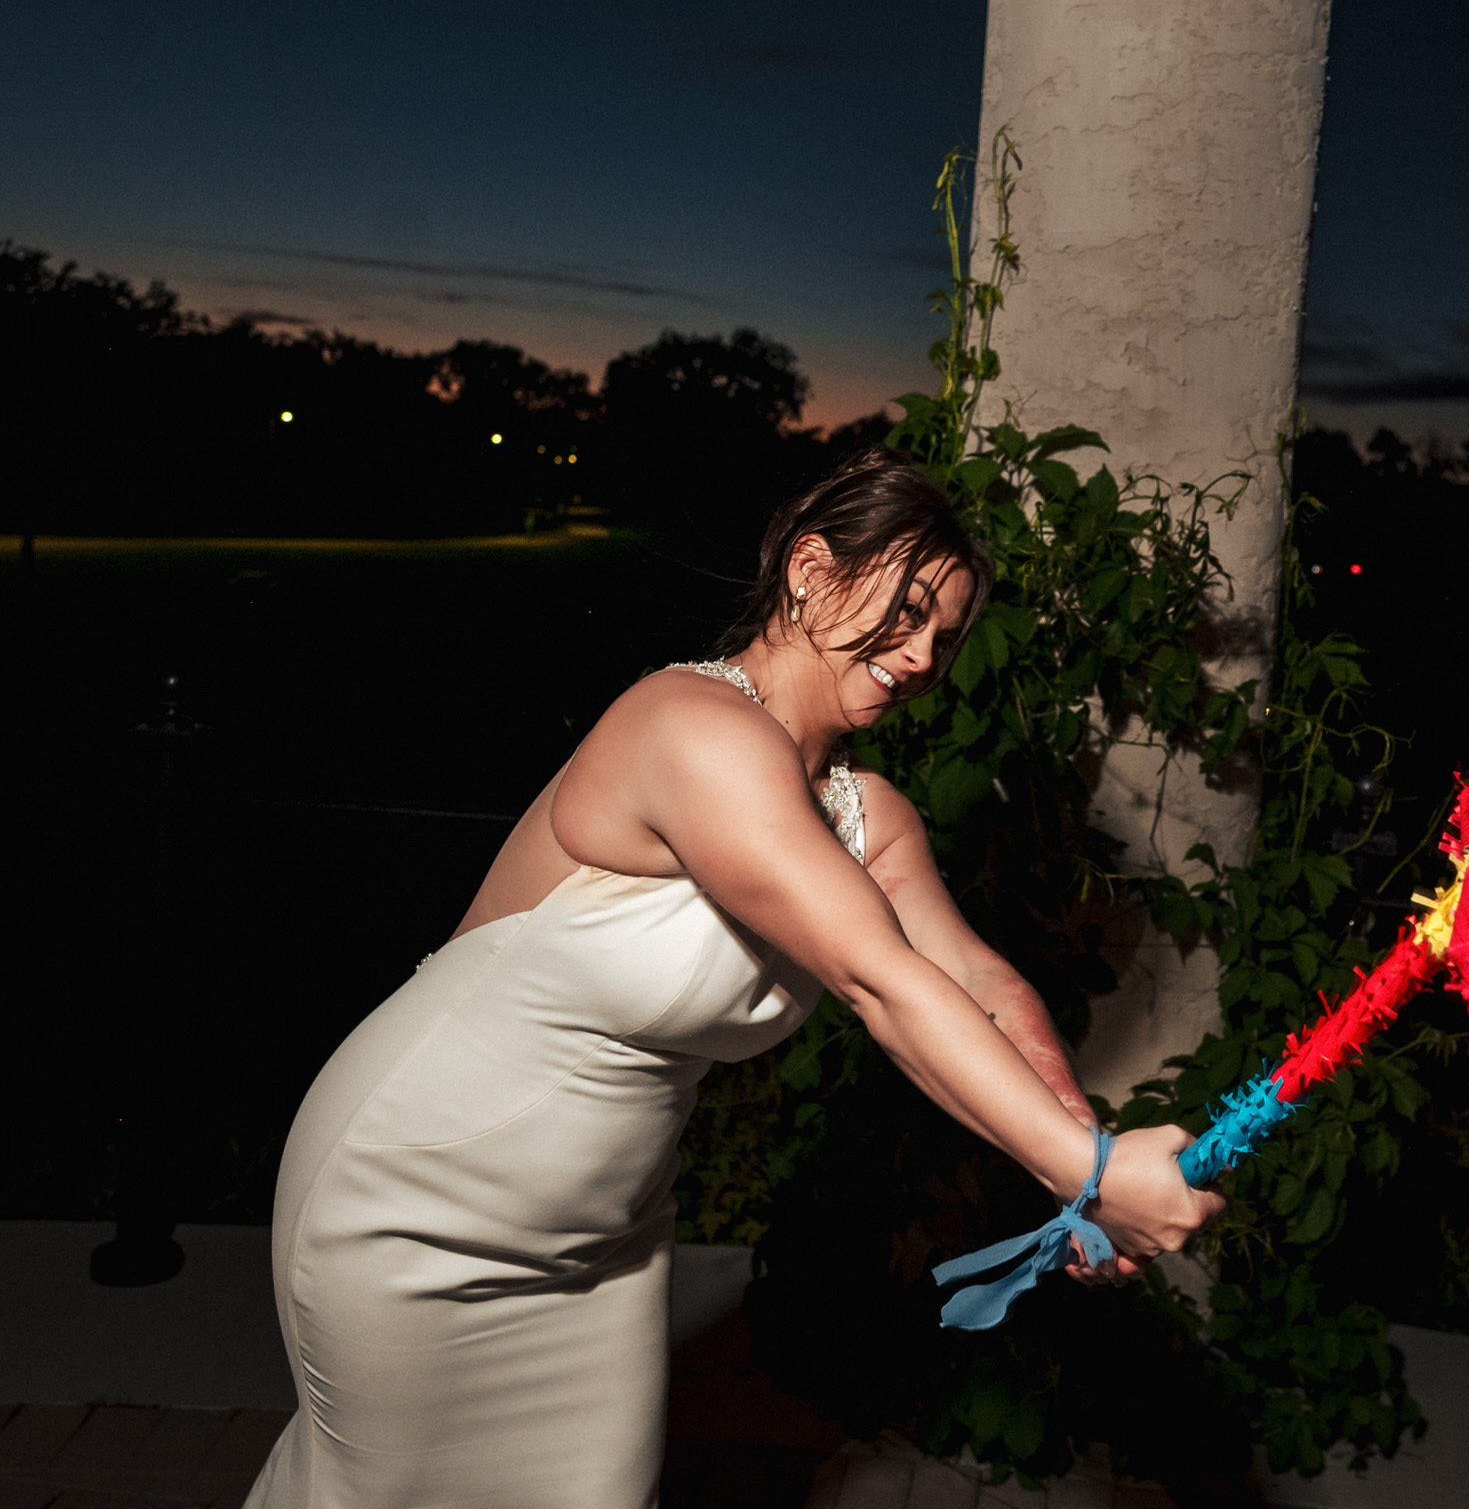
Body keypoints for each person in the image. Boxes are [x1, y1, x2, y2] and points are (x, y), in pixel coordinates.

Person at [245, 449, 1222, 1509]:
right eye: (904, 609)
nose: (923, 654)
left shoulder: (868, 814)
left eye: (945, 635)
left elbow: (980, 984)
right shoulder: (689, 727)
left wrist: (1077, 1160)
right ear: (810, 568)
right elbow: (879, 980)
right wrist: (1090, 1172)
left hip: (602, 1241)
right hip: (413, 1194)